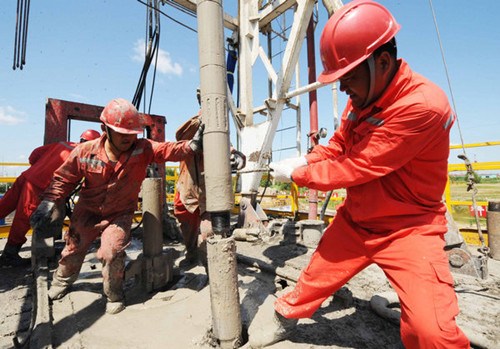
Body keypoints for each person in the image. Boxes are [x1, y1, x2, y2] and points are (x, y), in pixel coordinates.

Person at [249, 1, 470, 348]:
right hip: (356, 222)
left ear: (382, 62)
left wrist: (298, 176)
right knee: (310, 283)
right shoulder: (362, 97)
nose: (342, 89)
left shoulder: (423, 105)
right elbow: (338, 147)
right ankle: (283, 320)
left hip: (408, 229)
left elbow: (358, 166)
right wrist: (303, 159)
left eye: (347, 76)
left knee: (431, 333)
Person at [30, 98, 203, 315]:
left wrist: (191, 146)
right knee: (74, 249)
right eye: (122, 133)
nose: (128, 139)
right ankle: (62, 281)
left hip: (119, 213)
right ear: (105, 129)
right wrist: (49, 202)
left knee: (112, 252)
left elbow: (168, 150)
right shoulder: (85, 152)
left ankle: (114, 294)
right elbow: (63, 180)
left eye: (133, 134)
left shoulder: (143, 149)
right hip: (88, 212)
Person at [0, 129, 101, 268]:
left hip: (26, 176)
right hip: (39, 186)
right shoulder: (85, 156)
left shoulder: (63, 144)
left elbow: (34, 155)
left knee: (4, 205)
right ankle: (9, 255)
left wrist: (41, 167)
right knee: (23, 218)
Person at [174, 110, 246, 269]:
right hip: (188, 191)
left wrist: (237, 157)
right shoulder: (191, 130)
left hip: (209, 194)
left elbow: (232, 151)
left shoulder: (221, 137)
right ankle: (191, 253)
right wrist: (201, 121)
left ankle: (212, 270)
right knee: (187, 229)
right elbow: (179, 135)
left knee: (209, 232)